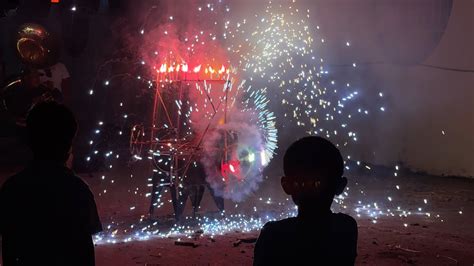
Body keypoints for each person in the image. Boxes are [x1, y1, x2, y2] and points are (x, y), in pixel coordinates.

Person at [0, 102, 102, 265]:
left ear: (28, 142)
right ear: (69, 148)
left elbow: (8, 246)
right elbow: (86, 251)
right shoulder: (78, 190)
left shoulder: (12, 188)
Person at [254, 136, 358, 266]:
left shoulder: (272, 234)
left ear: (286, 186)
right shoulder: (346, 227)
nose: (310, 189)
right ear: (340, 186)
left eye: (316, 184)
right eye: (302, 183)